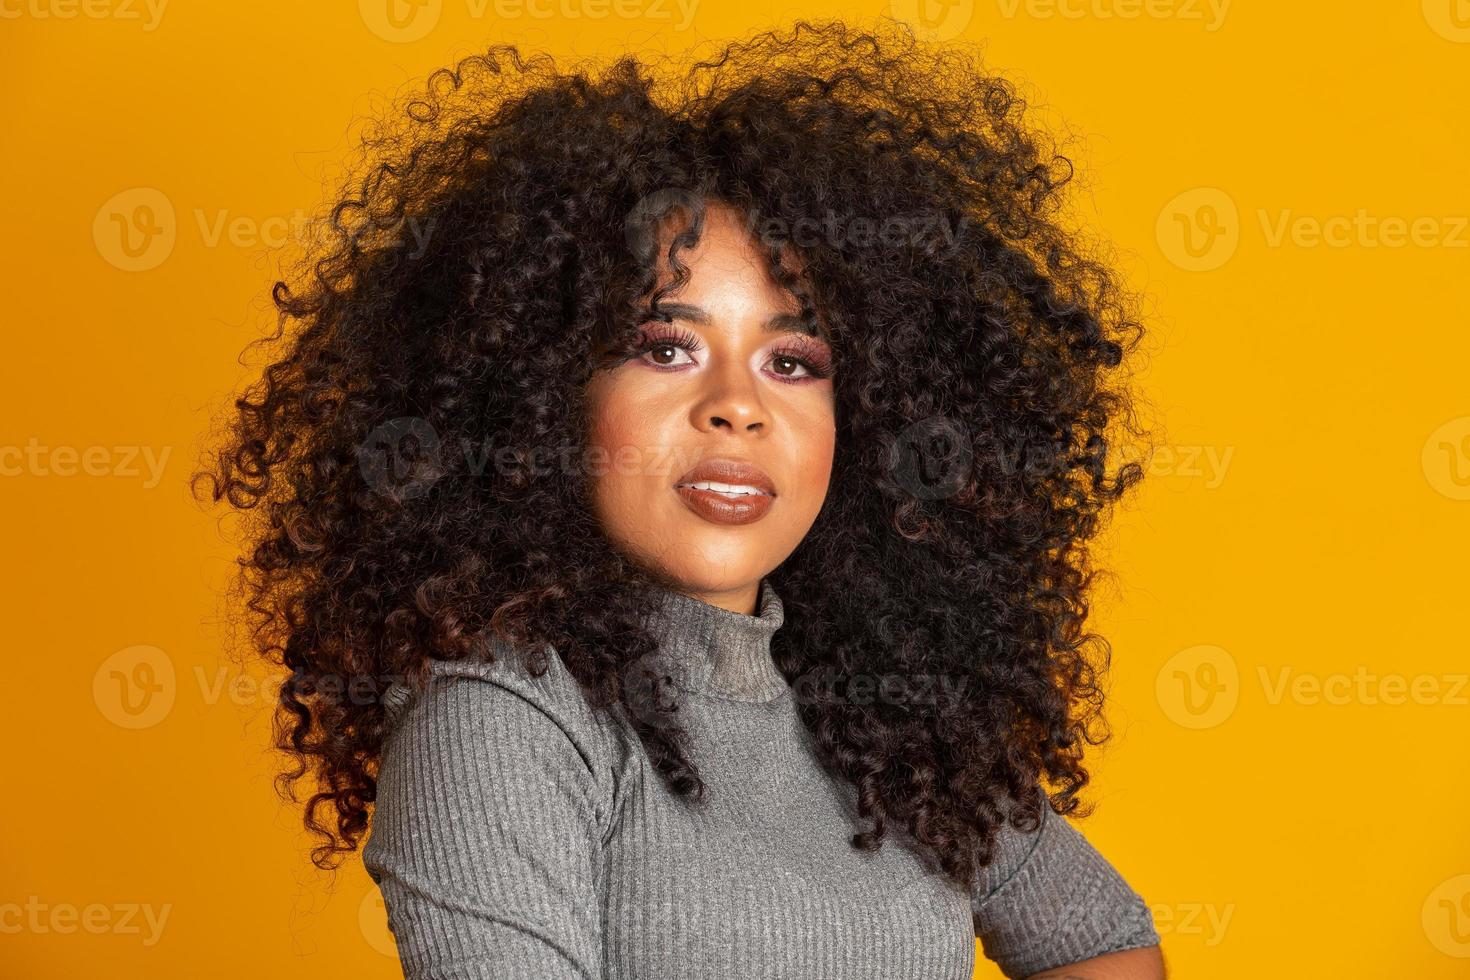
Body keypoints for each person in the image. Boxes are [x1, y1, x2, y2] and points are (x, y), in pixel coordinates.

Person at [195, 17, 1165, 979]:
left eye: (793, 360)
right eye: (666, 347)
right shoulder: (505, 716)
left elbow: (1102, 938)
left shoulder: (894, 717)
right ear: (540, 394)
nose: (736, 406)